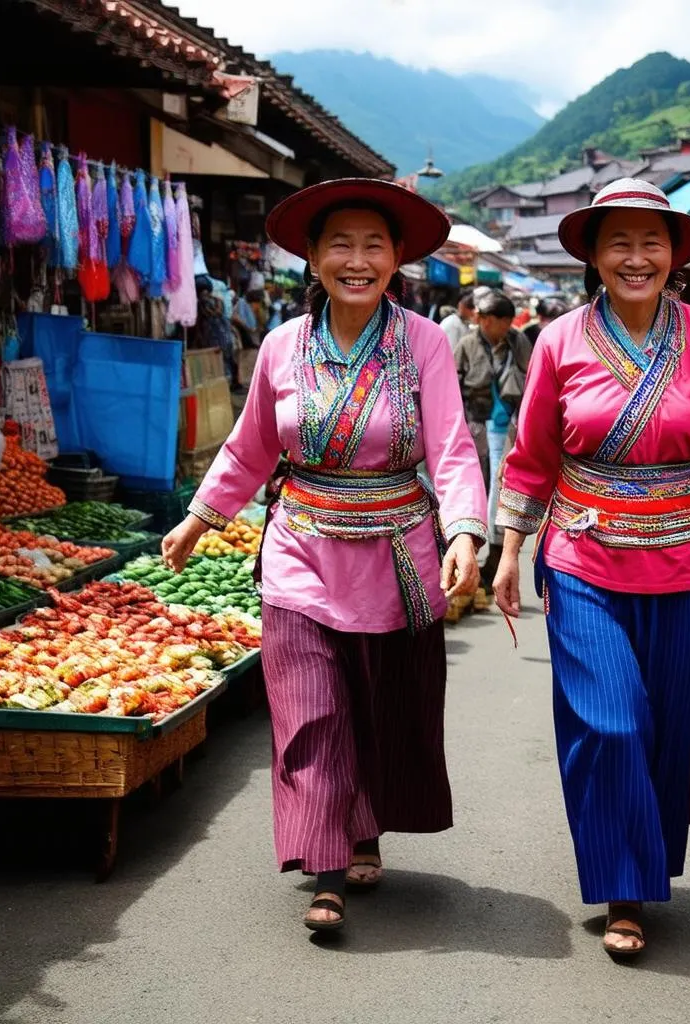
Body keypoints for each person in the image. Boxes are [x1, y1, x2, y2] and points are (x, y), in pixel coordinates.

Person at [492, 179, 690, 959]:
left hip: (679, 561)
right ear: (595, 256)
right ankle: (622, 892)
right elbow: (533, 455)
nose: (636, 258)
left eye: (652, 242)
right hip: (580, 557)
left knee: (666, 726)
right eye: (619, 243)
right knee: (611, 720)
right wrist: (509, 548)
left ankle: (641, 867)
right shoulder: (561, 341)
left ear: (675, 255)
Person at [162, 179, 487, 933]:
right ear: (311, 257)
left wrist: (466, 529)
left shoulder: (425, 342)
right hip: (299, 551)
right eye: (339, 244)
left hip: (396, 556)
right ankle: (326, 866)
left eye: (374, 245)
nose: (357, 260)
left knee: (375, 708)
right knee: (312, 711)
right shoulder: (281, 345)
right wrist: (198, 519)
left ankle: (364, 824)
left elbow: (449, 445)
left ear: (397, 257)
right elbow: (249, 449)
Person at [455, 289, 532, 589]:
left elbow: (531, 379)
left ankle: (495, 562)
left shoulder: (518, 341)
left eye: (495, 319)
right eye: (484, 318)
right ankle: (468, 555)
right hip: (474, 424)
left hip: (508, 426)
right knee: (475, 486)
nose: (485, 323)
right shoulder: (467, 344)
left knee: (500, 490)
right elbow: (452, 384)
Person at [194, 274, 243, 392]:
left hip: (213, 338)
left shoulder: (200, 303)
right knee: (229, 360)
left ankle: (224, 387)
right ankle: (231, 384)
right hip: (226, 335)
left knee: (218, 364)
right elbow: (226, 315)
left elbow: (200, 323)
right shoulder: (219, 300)